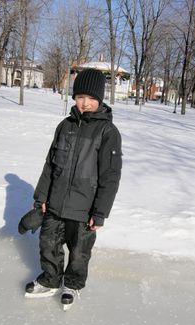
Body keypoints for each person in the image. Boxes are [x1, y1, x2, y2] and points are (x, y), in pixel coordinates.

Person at [25, 69, 122, 308]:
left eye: (91, 98)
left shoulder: (108, 132)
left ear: (100, 99)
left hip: (84, 209)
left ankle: (72, 284)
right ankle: (50, 280)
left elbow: (110, 176)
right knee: (48, 244)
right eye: (80, 97)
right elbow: (50, 164)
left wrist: (100, 212)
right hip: (56, 203)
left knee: (79, 252)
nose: (85, 103)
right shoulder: (64, 126)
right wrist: (42, 197)